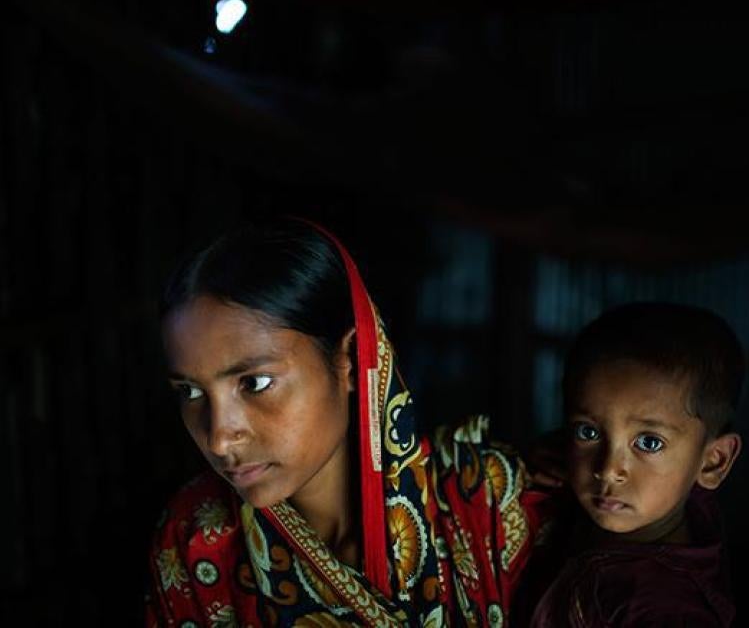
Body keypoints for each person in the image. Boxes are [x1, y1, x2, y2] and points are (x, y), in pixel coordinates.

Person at [144, 218, 546, 626]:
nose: (218, 437)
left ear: (350, 359)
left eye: (255, 382)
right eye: (190, 392)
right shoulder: (195, 541)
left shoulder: (491, 505)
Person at [521, 303, 743, 627]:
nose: (608, 469)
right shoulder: (665, 500)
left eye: (649, 442)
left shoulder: (664, 610)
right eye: (589, 431)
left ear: (713, 462)